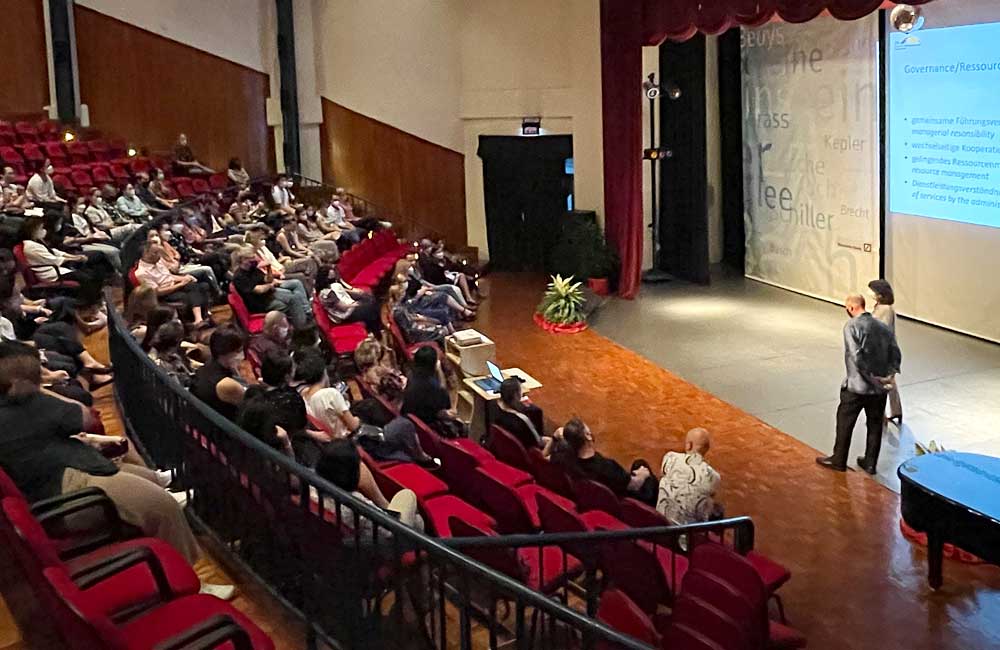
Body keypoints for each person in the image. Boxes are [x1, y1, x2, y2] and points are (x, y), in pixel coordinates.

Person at [816, 294, 902, 475]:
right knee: (875, 425)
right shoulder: (883, 327)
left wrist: (870, 378)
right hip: (879, 390)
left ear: (851, 308)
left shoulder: (851, 326)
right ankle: (870, 464)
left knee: (845, 422)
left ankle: (838, 459)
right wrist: (887, 376)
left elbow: (856, 356)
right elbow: (895, 353)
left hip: (857, 387)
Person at [314, 439, 423, 543]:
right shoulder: (354, 501)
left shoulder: (311, 486)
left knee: (418, 520)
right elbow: (388, 530)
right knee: (408, 496)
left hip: (350, 542)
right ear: (352, 473)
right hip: (386, 543)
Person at [553, 417, 658, 506]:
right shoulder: (608, 467)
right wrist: (643, 475)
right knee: (647, 473)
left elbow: (544, 456)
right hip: (623, 502)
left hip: (593, 495)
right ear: (588, 436)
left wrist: (554, 438)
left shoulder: (564, 459)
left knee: (638, 463)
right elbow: (633, 486)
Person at [231, 247, 312, 330]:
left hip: (269, 294)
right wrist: (271, 285)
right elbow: (259, 290)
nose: (254, 259)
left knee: (297, 294)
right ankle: (302, 328)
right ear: (243, 260)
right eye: (251, 258)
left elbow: (267, 279)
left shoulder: (252, 269)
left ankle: (306, 314)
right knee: (293, 299)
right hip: (261, 303)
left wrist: (268, 267)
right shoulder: (239, 276)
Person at [134, 244, 212, 326]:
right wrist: (181, 284)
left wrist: (184, 278)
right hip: (165, 294)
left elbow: (169, 276)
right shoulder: (141, 273)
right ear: (145, 254)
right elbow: (158, 292)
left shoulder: (158, 261)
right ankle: (198, 319)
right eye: (155, 253)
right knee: (189, 293)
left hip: (174, 285)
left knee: (203, 285)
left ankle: (203, 316)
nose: (159, 255)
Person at [657, 428, 722, 525]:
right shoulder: (714, 477)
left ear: (689, 445)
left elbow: (662, 474)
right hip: (688, 536)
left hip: (659, 527)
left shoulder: (670, 458)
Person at [191, 326, 247, 422]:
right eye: (239, 350)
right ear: (226, 352)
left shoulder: (206, 367)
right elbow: (250, 407)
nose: (242, 355)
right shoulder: (225, 384)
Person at [869, 279, 902, 426]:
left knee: (879, 382)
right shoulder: (882, 307)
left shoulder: (885, 310)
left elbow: (882, 330)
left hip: (883, 352)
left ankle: (880, 415)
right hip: (886, 350)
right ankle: (896, 411)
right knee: (889, 381)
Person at [494, 377, 551, 453]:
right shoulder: (523, 420)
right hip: (530, 455)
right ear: (516, 395)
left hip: (508, 451)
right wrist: (553, 440)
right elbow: (539, 442)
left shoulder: (495, 409)